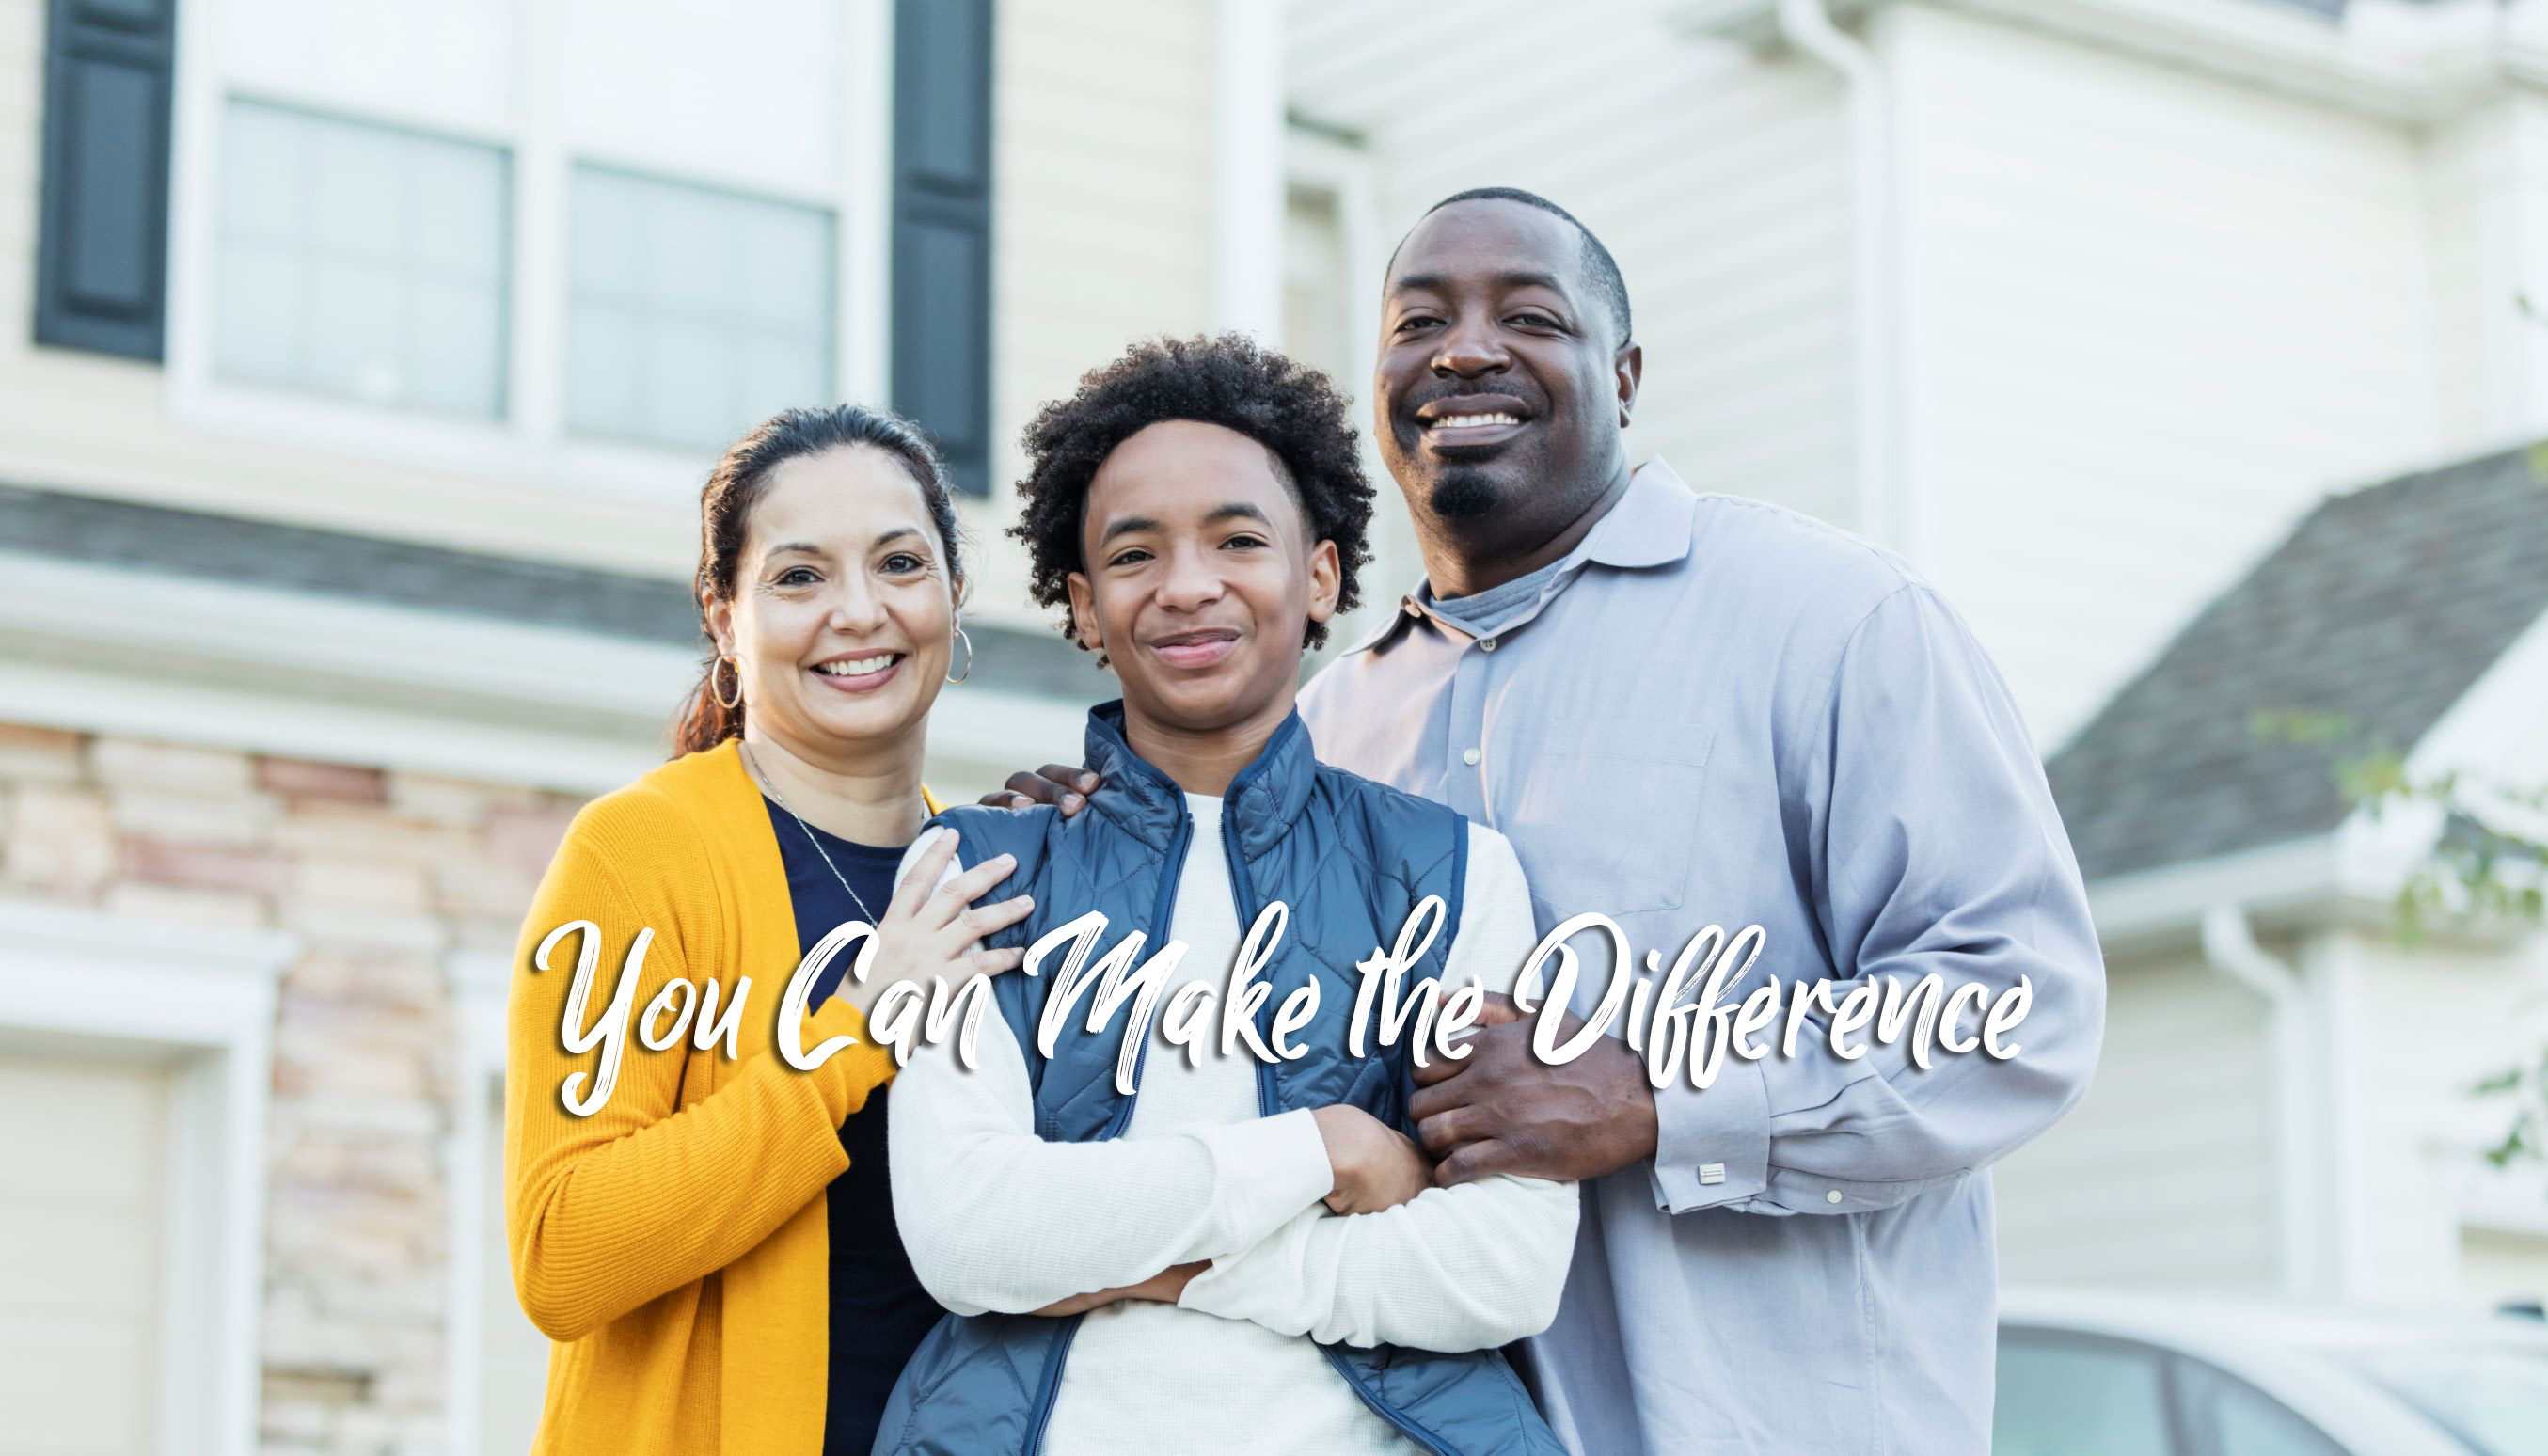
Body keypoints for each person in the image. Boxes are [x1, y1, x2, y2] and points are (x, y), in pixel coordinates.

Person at [991, 189, 2108, 1455]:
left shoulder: (1832, 624)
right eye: (1419, 321)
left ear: (1622, 376)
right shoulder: (1330, 728)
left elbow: (2018, 1010)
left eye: (1528, 315)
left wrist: (1662, 1095)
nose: (1464, 350)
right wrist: (1110, 832)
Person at [874, 335, 1578, 1456]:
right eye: (1134, 554)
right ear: (1087, 606)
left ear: (1321, 578)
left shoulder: (1452, 872)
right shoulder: (975, 870)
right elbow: (967, 1236)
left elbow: (1502, 1269)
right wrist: (1323, 1151)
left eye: (1239, 540)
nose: (1188, 585)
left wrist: (1157, 1268)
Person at [505, 404, 1036, 1456]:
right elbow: (563, 1251)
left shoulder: (985, 876)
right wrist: (856, 1035)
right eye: (800, 577)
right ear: (721, 614)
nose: (858, 611)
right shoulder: (643, 853)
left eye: (898, 563)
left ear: (954, 595)